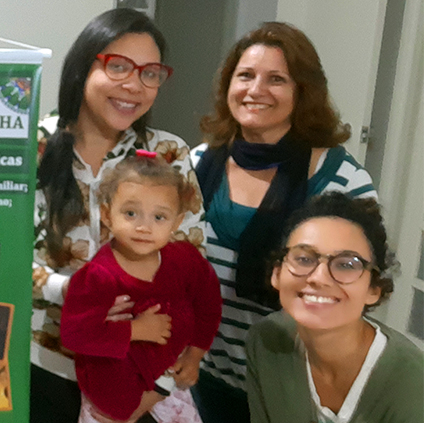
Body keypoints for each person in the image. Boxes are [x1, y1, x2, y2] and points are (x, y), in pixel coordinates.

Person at [190, 22, 378, 423]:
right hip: (202, 382)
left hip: (294, 395)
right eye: (245, 75)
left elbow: (357, 294)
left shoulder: (343, 182)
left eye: (276, 79)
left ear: (302, 92)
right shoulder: (196, 164)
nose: (256, 90)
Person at [31, 8, 206, 422]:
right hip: (43, 361)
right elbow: (2, 254)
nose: (134, 85)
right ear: (84, 66)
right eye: (119, 66)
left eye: (150, 73)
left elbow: (189, 258)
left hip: (136, 366)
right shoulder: (33, 145)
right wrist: (70, 292)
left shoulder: (166, 153)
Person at [62, 154, 221, 423]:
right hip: (112, 401)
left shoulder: (185, 259)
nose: (144, 227)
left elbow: (209, 304)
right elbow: (74, 334)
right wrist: (135, 330)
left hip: (170, 384)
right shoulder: (97, 277)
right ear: (107, 215)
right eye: (131, 213)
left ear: (177, 222)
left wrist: (195, 355)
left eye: (159, 217)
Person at [246, 193, 423, 422]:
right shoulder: (265, 342)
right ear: (277, 274)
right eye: (304, 259)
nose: (319, 278)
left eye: (346, 265)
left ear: (374, 288)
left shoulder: (412, 385)